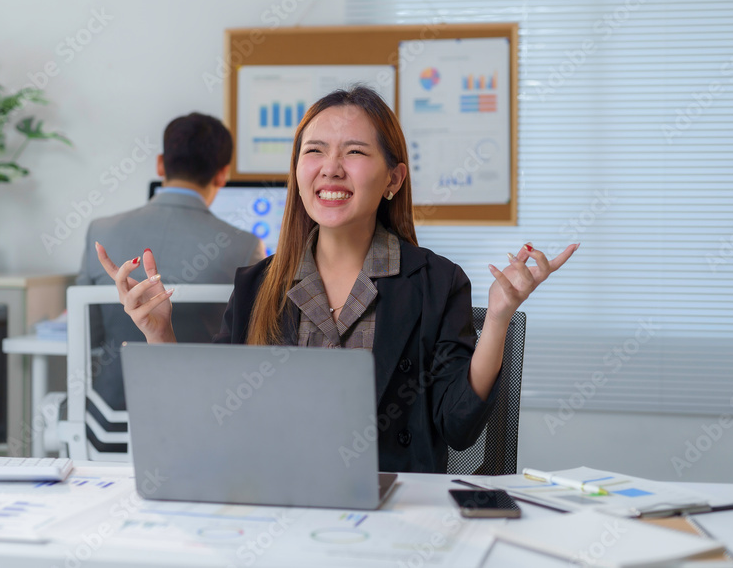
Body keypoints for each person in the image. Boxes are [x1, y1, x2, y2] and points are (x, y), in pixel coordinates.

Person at [95, 87, 577, 472]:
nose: (331, 167)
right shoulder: (255, 285)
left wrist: (496, 318)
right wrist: (159, 332)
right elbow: (209, 422)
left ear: (393, 179)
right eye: (315, 151)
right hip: (275, 507)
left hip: (394, 514)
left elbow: (457, 427)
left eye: (354, 152)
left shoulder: (436, 282)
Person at [77, 112, 266, 410]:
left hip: (107, 419)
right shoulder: (246, 247)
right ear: (222, 174)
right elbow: (250, 346)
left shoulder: (99, 232)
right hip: (199, 415)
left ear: (160, 164)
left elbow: (87, 336)